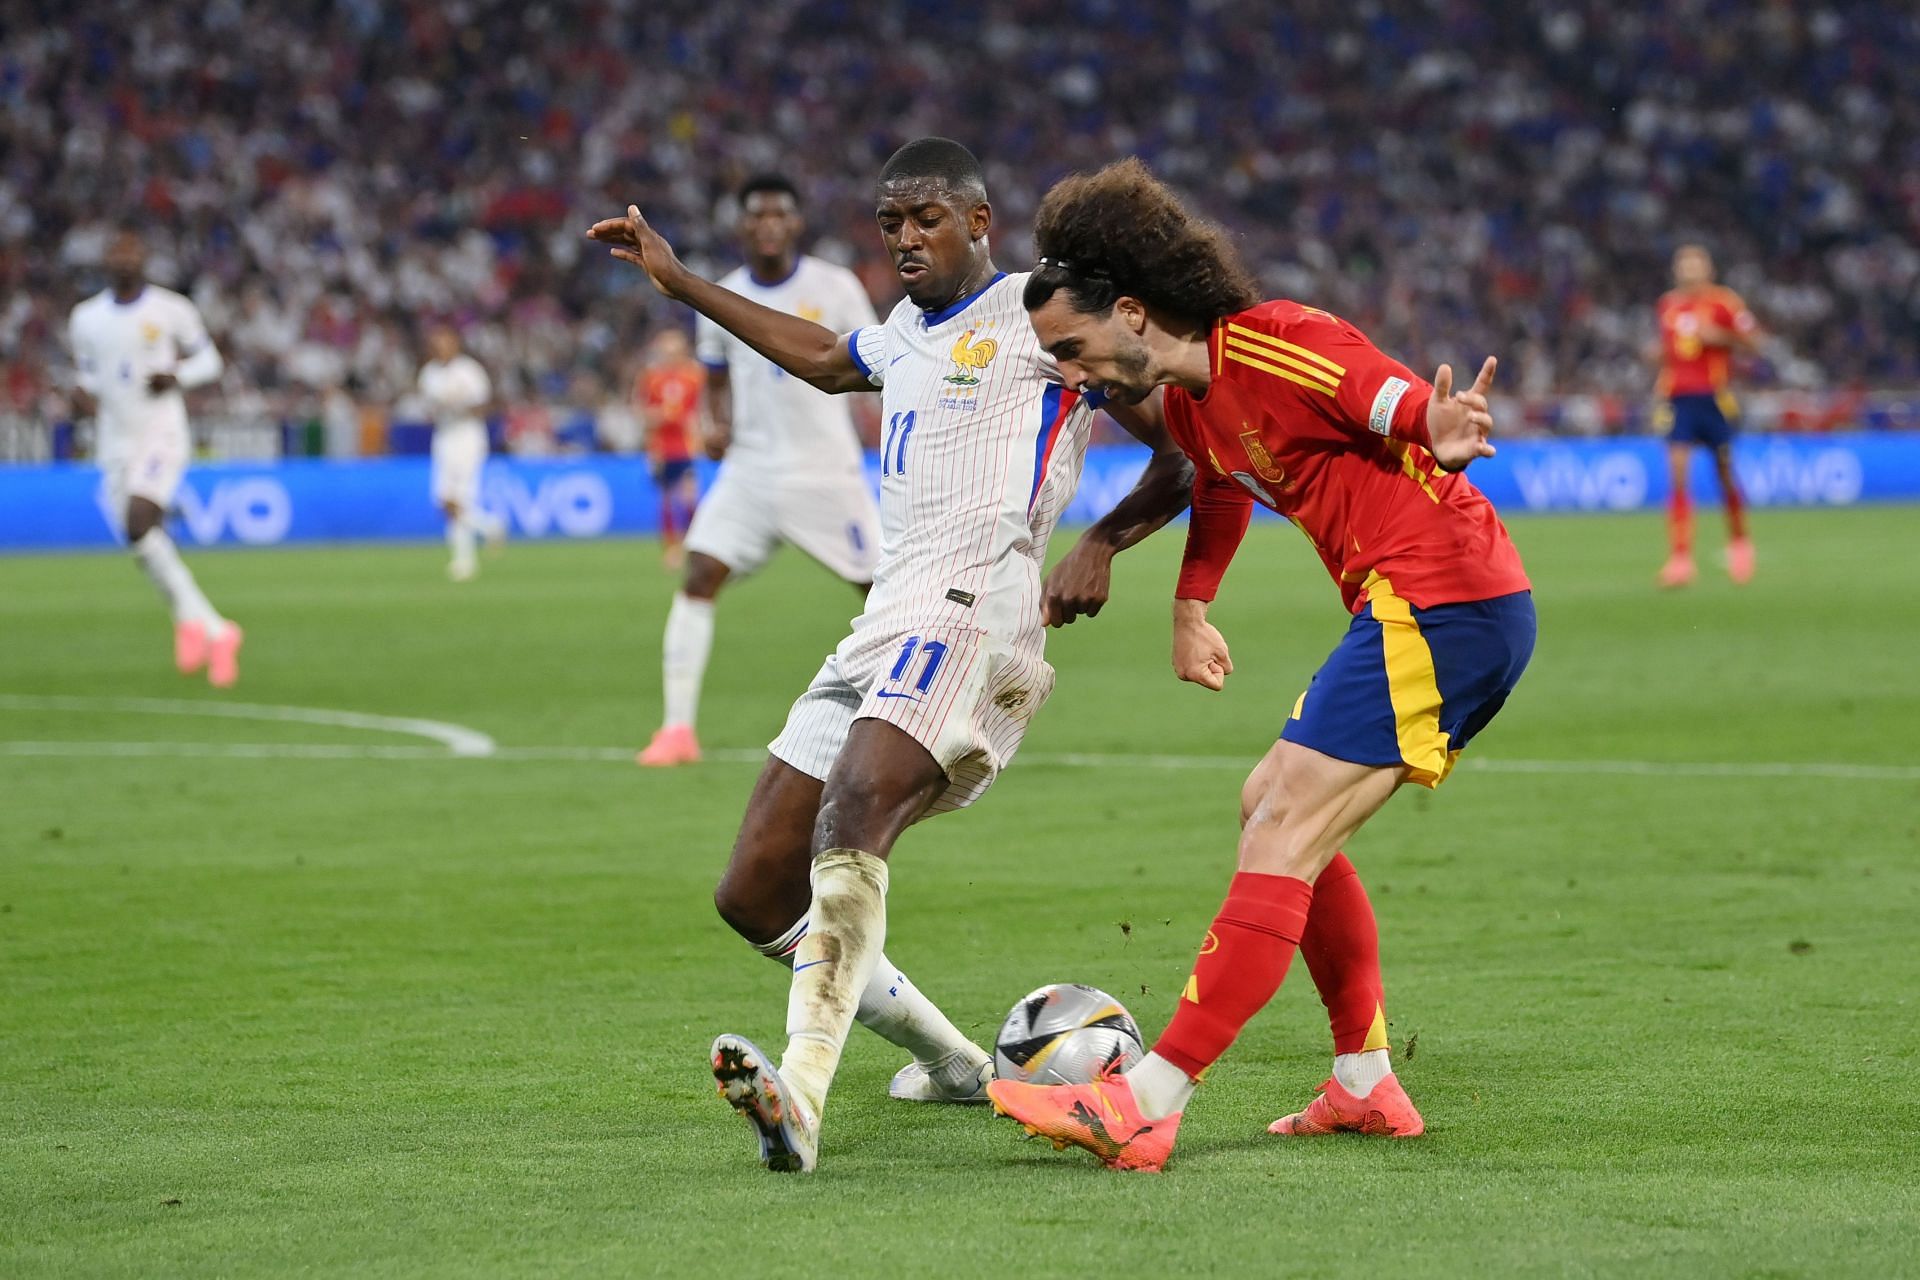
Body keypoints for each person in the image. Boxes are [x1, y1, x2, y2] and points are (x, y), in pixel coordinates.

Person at [588, 138, 1193, 1173]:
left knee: (852, 816)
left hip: (977, 616)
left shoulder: (1039, 321)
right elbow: (827, 359)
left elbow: (1182, 451)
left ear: (979, 221)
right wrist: (678, 277)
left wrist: (1101, 541)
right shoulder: (902, 335)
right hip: (886, 622)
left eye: (927, 219)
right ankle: (958, 1062)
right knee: (754, 887)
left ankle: (803, 1097)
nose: (907, 239)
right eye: (891, 224)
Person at [984, 159, 1534, 1172]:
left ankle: (1146, 1100)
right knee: (1267, 802)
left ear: (1135, 313)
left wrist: (1436, 426)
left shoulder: (1278, 340)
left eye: (1076, 348)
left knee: (1284, 826)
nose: (1075, 374)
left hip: (1449, 600)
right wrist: (1192, 603)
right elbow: (1223, 481)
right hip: (1411, 604)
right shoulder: (1196, 403)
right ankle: (1364, 1081)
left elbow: (1381, 393)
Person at [637, 174, 885, 768]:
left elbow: (878, 363)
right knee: (698, 574)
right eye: (757, 216)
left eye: (779, 214)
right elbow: (715, 378)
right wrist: (716, 424)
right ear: (742, 225)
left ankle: (919, 713)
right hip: (750, 470)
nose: (768, 224)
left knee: (882, 593)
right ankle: (676, 731)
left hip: (825, 471)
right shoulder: (718, 295)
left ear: (796, 223)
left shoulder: (835, 285)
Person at [67, 228, 242, 686]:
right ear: (106, 262)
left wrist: (176, 375)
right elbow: (86, 377)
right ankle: (201, 622)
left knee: (140, 519)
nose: (124, 258)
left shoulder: (171, 309)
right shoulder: (86, 318)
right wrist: (80, 398)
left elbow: (211, 362)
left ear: (144, 259)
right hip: (113, 438)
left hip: (161, 430)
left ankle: (209, 626)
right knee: (142, 544)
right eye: (116, 252)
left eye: (132, 251)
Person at [1652, 244, 1760, 588]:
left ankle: (1740, 543)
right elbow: (1671, 354)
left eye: (1696, 263)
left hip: (1715, 398)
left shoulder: (1725, 303)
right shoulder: (1667, 305)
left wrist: (1722, 337)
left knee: (1725, 473)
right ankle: (1681, 558)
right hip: (1679, 400)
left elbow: (1755, 343)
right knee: (1678, 474)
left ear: (1708, 269)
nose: (1689, 269)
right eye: (1684, 263)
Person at [418, 325, 505, 582]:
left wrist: (459, 407)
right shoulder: (429, 375)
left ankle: (463, 561)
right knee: (444, 500)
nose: (440, 348)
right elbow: (428, 409)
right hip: (444, 436)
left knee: (462, 497)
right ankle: (489, 525)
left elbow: (485, 405)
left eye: (444, 342)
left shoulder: (469, 370)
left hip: (468, 435)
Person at [635, 328, 704, 572]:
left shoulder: (694, 375)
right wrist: (660, 417)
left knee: (688, 496)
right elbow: (643, 412)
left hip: (685, 445)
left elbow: (700, 409)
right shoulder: (652, 378)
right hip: (662, 447)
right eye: (666, 351)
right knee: (666, 499)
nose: (670, 356)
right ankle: (672, 549)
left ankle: (694, 544)